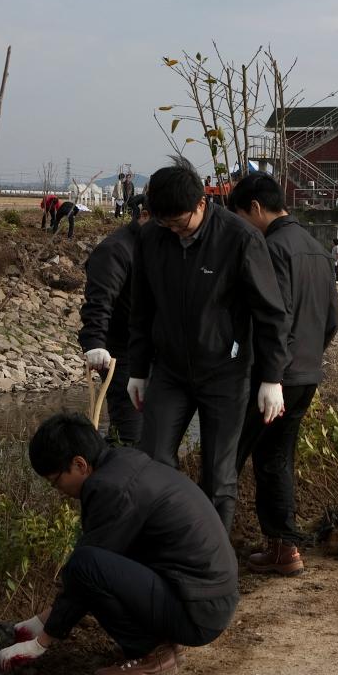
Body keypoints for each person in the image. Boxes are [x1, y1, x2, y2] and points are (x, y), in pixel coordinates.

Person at [0, 414, 239, 675]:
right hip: (208, 598)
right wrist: (38, 622)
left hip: (198, 612)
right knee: (94, 561)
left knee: (85, 564)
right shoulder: (123, 464)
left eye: (55, 482)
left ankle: (152, 654)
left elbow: (86, 570)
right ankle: (156, 642)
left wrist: (40, 643)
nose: (58, 491)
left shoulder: (111, 489)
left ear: (79, 464)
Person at [128, 158, 289, 532]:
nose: (174, 231)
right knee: (151, 458)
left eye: (179, 222)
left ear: (202, 204)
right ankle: (168, 539)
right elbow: (141, 308)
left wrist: (272, 378)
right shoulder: (153, 238)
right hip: (169, 369)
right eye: (163, 223)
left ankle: (213, 559)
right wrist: (138, 370)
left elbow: (271, 313)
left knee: (218, 473)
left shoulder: (240, 239)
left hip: (225, 373)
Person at [227, 173, 338, 575]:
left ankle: (205, 551)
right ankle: (283, 547)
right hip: (306, 375)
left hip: (272, 379)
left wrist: (272, 374)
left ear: (255, 208)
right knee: (276, 458)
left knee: (228, 460)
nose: (240, 224)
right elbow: (332, 320)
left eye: (239, 215)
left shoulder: (270, 249)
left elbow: (277, 316)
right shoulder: (317, 248)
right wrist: (307, 360)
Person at [80, 194, 150, 445]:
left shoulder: (157, 247)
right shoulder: (115, 250)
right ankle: (115, 478)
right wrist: (95, 344)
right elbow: (99, 302)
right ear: (144, 216)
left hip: (155, 354)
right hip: (123, 356)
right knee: (130, 435)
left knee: (154, 438)